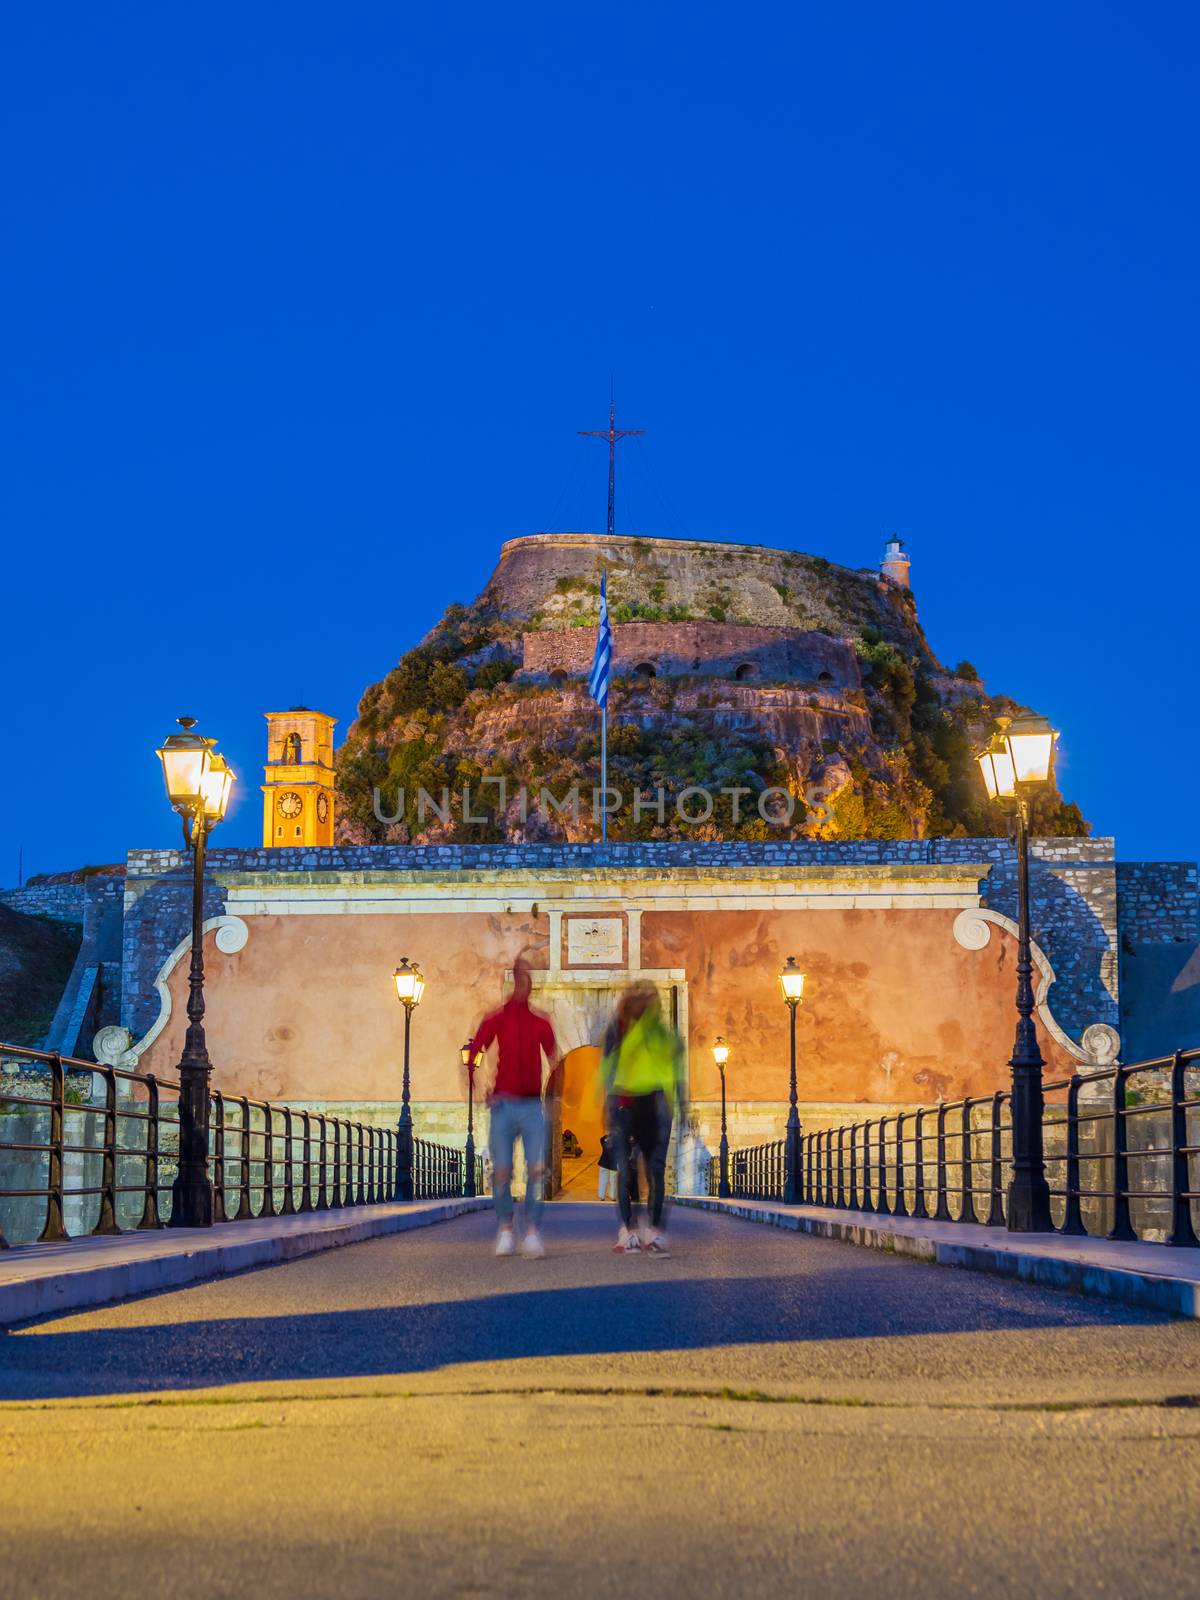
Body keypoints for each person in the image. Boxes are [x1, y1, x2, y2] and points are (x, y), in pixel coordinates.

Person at [466, 958, 557, 1258]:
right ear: (512, 983)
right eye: (518, 979)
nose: (522, 985)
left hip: (532, 1106)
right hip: (503, 1105)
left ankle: (532, 1232)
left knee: (537, 1170)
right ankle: (506, 1229)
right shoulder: (496, 1020)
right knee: (502, 1172)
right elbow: (474, 1049)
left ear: (530, 986)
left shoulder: (541, 1023)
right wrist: (476, 1085)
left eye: (526, 980)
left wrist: (554, 1098)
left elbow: (555, 1061)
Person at [600, 984, 684, 1256]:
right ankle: (628, 1229)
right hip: (625, 1106)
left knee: (655, 1170)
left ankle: (654, 1230)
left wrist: (682, 1104)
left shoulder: (663, 1034)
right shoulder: (618, 1031)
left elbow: (676, 1070)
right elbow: (608, 1069)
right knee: (626, 1171)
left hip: (657, 1105)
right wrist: (606, 1102)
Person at [597, 1133, 618, 1201]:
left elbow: (601, 1139)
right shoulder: (618, 1144)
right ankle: (612, 1196)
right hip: (613, 1165)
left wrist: (607, 1135)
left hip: (603, 1164)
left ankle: (601, 1196)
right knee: (613, 1181)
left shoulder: (604, 1142)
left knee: (603, 1180)